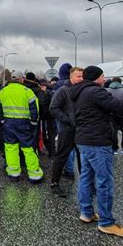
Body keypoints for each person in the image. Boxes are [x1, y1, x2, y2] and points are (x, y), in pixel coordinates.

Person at [69, 65, 123, 237]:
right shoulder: (95, 92)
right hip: (97, 142)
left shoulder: (77, 92)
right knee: (104, 181)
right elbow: (118, 106)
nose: (104, 79)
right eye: (102, 76)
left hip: (83, 140)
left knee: (86, 177)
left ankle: (86, 212)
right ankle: (106, 222)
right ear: (96, 78)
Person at [0, 70, 43, 183]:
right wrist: (33, 123)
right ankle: (34, 174)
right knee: (28, 149)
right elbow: (34, 110)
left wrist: (2, 121)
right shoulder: (27, 91)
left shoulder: (3, 91)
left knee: (11, 148)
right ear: (21, 79)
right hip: (24, 124)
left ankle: (14, 173)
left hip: (8, 123)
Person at [49, 67, 84, 198]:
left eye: (82, 76)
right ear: (71, 77)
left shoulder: (83, 91)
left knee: (82, 158)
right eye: (78, 76)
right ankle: (54, 184)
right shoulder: (63, 90)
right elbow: (53, 108)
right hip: (67, 130)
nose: (81, 79)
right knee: (61, 157)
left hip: (81, 130)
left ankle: (86, 184)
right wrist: (68, 120)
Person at [53, 62, 77, 178]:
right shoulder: (76, 84)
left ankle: (68, 170)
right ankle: (73, 170)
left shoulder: (59, 85)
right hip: (75, 119)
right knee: (75, 145)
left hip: (62, 120)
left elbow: (54, 104)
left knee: (64, 146)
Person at [106, 76, 123, 155]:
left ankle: (114, 149)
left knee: (113, 132)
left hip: (111, 114)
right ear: (120, 82)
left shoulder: (106, 90)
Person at [38, 78, 57, 157]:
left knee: (46, 134)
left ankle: (50, 150)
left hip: (44, 116)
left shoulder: (45, 92)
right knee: (51, 134)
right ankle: (52, 151)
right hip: (50, 116)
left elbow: (42, 102)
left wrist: (44, 92)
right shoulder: (52, 92)